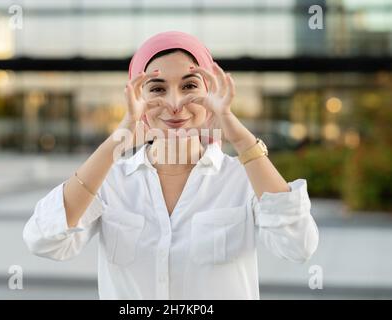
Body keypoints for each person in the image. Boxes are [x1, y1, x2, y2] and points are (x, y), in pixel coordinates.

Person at [23, 31, 319, 300]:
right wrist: (121, 136)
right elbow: (43, 240)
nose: (175, 103)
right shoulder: (112, 182)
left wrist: (236, 132)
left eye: (189, 85)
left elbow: (297, 245)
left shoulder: (242, 179)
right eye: (157, 88)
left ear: (211, 92)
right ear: (136, 96)